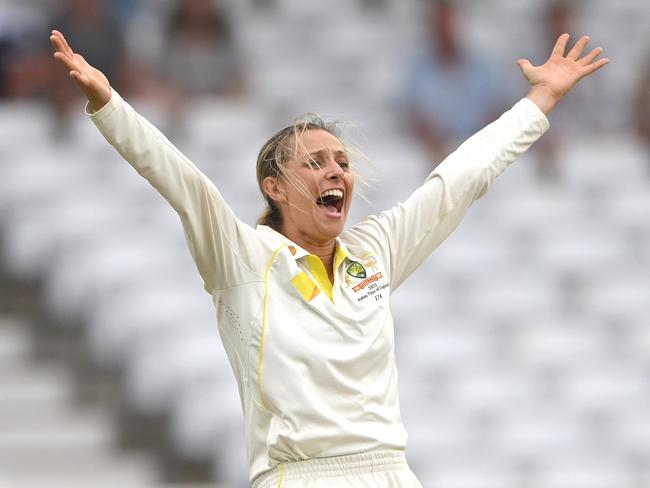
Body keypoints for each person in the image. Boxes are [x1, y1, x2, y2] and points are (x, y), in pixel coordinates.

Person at [50, 28, 608, 488]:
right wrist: (109, 105)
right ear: (275, 186)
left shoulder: (374, 251)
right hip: (302, 476)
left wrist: (540, 101)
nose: (336, 171)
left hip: (391, 472)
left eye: (341, 161)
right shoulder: (244, 257)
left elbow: (459, 180)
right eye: (315, 163)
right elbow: (182, 181)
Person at [403, 0, 507, 166]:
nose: (446, 32)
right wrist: (433, 143)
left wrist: (478, 144)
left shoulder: (481, 67)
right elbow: (414, 117)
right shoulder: (418, 70)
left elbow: (495, 110)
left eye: (449, 25)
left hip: (478, 148)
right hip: (434, 152)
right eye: (440, 26)